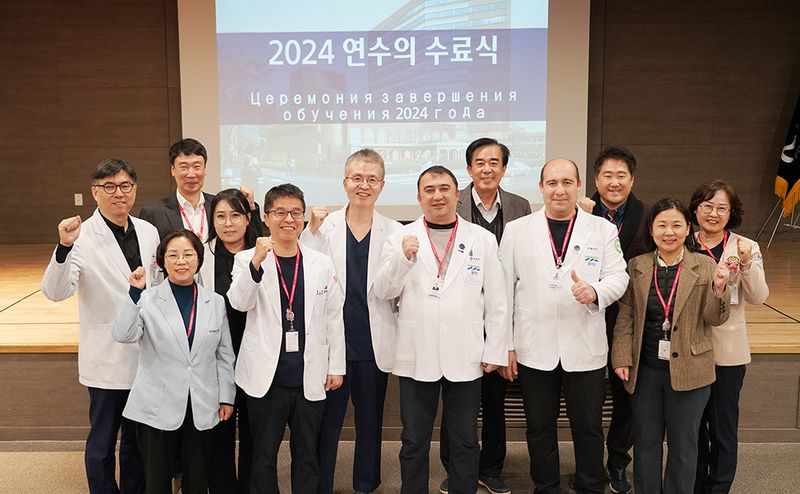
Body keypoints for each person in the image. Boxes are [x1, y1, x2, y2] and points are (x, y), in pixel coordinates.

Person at [373, 165, 508, 494]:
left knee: (465, 440)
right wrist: (402, 259)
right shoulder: (400, 238)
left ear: (457, 194)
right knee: (413, 440)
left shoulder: (482, 239)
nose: (437, 195)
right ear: (419, 197)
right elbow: (383, 291)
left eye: (444, 188)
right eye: (429, 190)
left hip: (466, 353)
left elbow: (498, 301)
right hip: (416, 353)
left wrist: (496, 350)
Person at [498, 158, 629, 494]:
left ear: (578, 185)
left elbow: (619, 276)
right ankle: (546, 486)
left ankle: (591, 486)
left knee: (588, 427)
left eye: (567, 182)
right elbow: (503, 291)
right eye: (552, 183)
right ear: (541, 187)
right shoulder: (517, 230)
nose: (560, 190)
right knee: (539, 427)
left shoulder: (602, 229)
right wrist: (506, 345)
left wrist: (595, 291)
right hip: (533, 346)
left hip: (584, 345)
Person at [41, 158, 159, 494]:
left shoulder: (148, 231)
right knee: (103, 441)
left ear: (134, 189)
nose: (119, 193)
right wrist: (64, 247)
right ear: (95, 192)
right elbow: (55, 291)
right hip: (107, 356)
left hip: (146, 355)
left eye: (125, 186)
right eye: (109, 186)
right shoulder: (81, 237)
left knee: (137, 441)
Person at [227, 183, 345, 493]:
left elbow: (334, 316)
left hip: (309, 374)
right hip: (266, 377)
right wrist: (255, 263)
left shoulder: (321, 262)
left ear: (303, 218)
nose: (288, 219)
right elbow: (239, 303)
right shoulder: (247, 259)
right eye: (280, 212)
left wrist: (336, 366)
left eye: (295, 213)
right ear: (265, 218)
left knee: (307, 455)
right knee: (263, 456)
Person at [611, 198, 731, 494]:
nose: (669, 232)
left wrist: (719, 289)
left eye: (676, 225)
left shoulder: (705, 265)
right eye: (662, 225)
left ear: (687, 228)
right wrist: (622, 356)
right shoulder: (637, 266)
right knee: (646, 442)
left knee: (684, 444)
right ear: (651, 230)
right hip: (646, 369)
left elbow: (714, 318)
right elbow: (626, 317)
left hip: (691, 369)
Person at [299, 149, 402, 494]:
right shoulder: (322, 227)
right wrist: (310, 231)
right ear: (344, 182)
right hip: (332, 345)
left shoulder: (395, 231)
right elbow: (304, 269)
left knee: (370, 422)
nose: (364, 185)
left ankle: (366, 484)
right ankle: (321, 486)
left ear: (382, 185)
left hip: (373, 344)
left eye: (372, 179)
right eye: (357, 178)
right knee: (326, 423)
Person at [437, 137, 531, 494]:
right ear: (469, 168)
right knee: (456, 402)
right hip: (459, 318)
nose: (487, 169)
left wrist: (507, 339)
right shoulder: (452, 200)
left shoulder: (519, 206)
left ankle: (490, 467)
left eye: (494, 162)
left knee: (494, 400)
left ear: (504, 168)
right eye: (480, 162)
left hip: (500, 315)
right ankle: (455, 467)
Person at [112, 230, 236, 494]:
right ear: (162, 261)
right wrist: (134, 293)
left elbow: (224, 354)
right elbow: (123, 334)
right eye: (173, 255)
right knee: (157, 482)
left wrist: (226, 397)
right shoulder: (147, 299)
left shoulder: (215, 302)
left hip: (201, 403)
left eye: (188, 254)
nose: (181, 261)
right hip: (158, 406)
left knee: (197, 480)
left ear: (198, 259)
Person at [576, 145, 648, 493]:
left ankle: (618, 460)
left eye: (621, 175)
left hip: (628, 320)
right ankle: (587, 466)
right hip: (582, 315)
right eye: (607, 175)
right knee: (587, 398)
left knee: (626, 394)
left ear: (632, 180)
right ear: (596, 180)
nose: (614, 182)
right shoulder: (577, 212)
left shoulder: (647, 217)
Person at [689, 181, 768, 494]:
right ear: (696, 208)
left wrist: (746, 264)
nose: (714, 213)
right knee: (692, 428)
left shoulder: (745, 247)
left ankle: (719, 488)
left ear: (731, 212)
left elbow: (759, 296)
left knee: (723, 428)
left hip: (728, 352)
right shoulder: (683, 241)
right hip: (690, 349)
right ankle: (695, 484)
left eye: (722, 208)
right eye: (707, 206)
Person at [198, 189, 264, 494]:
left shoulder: (262, 253)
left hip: (254, 352)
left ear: (248, 218)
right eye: (220, 216)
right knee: (219, 430)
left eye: (235, 215)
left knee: (253, 431)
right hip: (215, 355)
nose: (228, 223)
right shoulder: (202, 255)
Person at [140, 138, 263, 241]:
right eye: (184, 167)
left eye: (197, 166)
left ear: (205, 169)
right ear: (173, 170)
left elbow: (253, 242)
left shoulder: (218, 206)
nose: (191, 174)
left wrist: (251, 208)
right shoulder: (153, 213)